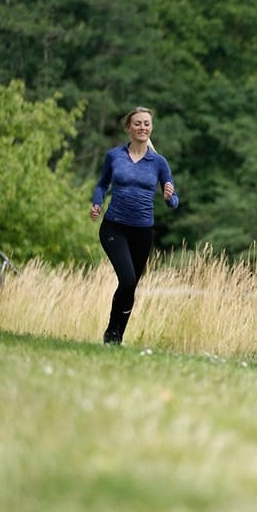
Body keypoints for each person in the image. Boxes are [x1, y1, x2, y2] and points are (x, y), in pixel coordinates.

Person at [90, 106, 179, 345]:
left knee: (130, 286)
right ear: (129, 127)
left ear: (151, 128)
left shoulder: (158, 162)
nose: (142, 127)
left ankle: (117, 335)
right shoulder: (114, 156)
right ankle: (112, 332)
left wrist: (170, 197)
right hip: (114, 227)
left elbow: (174, 201)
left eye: (147, 123)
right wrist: (97, 204)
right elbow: (101, 185)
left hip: (142, 232)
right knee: (127, 280)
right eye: (137, 123)